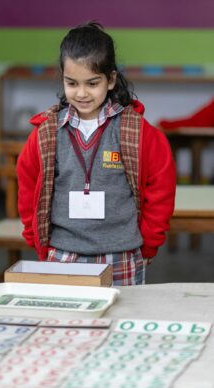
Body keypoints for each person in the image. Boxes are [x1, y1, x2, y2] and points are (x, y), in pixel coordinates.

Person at [17, 22, 176, 286]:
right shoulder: (46, 134)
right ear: (62, 78)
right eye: (72, 83)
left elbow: (161, 190)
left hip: (122, 256)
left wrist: (148, 245)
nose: (81, 93)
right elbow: (28, 187)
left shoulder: (138, 132)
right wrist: (37, 242)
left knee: (120, 326)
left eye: (92, 83)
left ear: (111, 79)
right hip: (62, 256)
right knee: (68, 326)